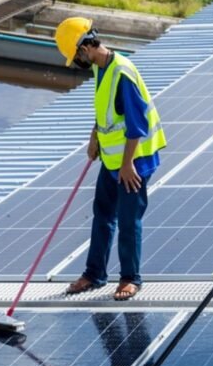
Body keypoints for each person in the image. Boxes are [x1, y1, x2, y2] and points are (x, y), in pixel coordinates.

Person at [54, 17, 166, 301]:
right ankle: (94, 275)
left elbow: (136, 124)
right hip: (112, 158)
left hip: (134, 160)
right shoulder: (100, 68)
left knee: (128, 219)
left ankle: (130, 279)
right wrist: (94, 137)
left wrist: (128, 165)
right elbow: (105, 111)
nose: (78, 62)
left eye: (76, 56)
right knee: (102, 213)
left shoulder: (122, 73)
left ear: (86, 47)